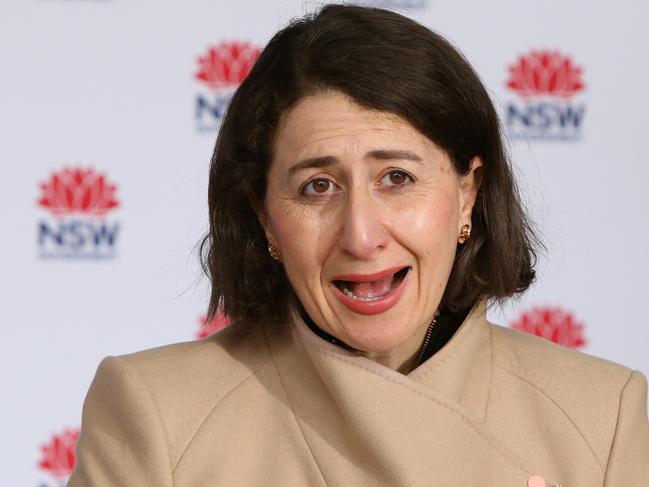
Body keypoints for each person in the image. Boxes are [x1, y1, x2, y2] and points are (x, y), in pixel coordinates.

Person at [68, 4, 649, 486]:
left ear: (468, 194)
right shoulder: (156, 413)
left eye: (396, 177)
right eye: (317, 186)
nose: (362, 235)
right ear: (265, 218)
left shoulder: (604, 416)